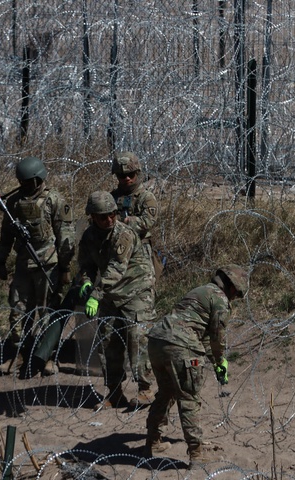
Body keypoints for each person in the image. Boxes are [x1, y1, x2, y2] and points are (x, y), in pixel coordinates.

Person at [143, 264, 248, 468]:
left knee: (166, 393)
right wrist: (220, 360)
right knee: (189, 399)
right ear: (233, 288)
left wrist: (215, 361)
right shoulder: (220, 300)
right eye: (237, 294)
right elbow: (216, 337)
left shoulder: (200, 291)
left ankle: (152, 442)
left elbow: (203, 335)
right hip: (180, 344)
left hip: (157, 340)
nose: (235, 298)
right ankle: (196, 454)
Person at [0, 156, 75, 377]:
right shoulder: (14, 203)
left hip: (48, 266)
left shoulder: (54, 200)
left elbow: (65, 235)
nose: (25, 186)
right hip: (23, 264)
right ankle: (19, 353)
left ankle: (48, 356)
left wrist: (65, 268)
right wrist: (0, 260)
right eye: (22, 182)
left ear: (39, 180)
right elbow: (6, 236)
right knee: (17, 310)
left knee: (48, 312)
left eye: (29, 182)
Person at [76, 191, 156, 408]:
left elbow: (114, 270)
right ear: (92, 217)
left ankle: (145, 390)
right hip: (110, 293)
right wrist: (85, 282)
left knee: (137, 339)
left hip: (136, 289)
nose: (109, 220)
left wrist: (95, 295)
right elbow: (86, 265)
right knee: (108, 343)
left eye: (112, 214)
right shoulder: (89, 236)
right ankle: (114, 392)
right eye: (103, 217)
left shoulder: (124, 234)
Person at [110, 151, 160, 407]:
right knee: (110, 334)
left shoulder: (146, 197)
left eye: (130, 174)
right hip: (114, 271)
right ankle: (113, 390)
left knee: (138, 333)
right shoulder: (111, 199)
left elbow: (146, 222)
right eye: (122, 175)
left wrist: (123, 221)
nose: (127, 179)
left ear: (138, 173)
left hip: (139, 271)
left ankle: (146, 387)